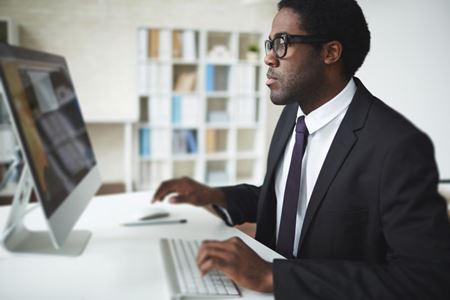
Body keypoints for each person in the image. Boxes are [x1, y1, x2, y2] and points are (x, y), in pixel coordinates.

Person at [153, 0, 450, 298]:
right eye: (270, 43)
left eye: (282, 43)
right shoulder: (294, 114)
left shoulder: (399, 147)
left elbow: (426, 279)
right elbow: (285, 199)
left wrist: (273, 277)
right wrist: (216, 196)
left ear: (330, 52)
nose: (269, 58)